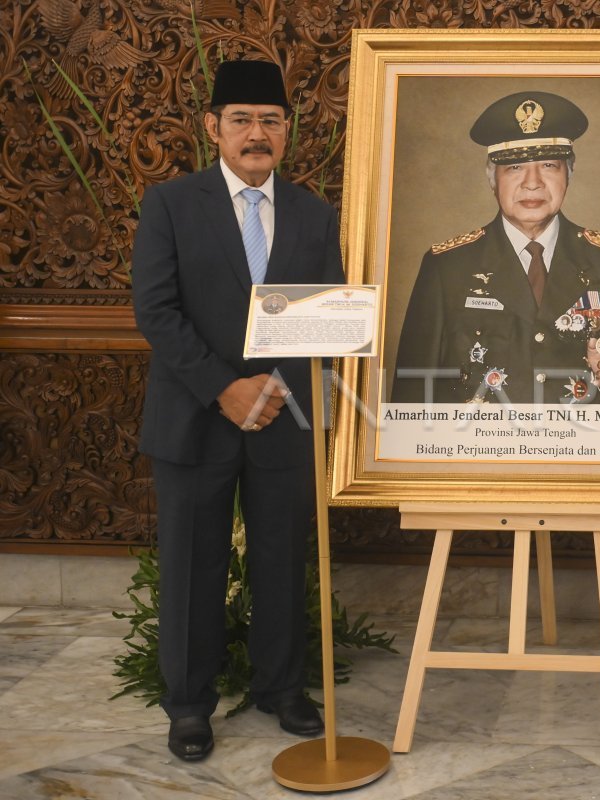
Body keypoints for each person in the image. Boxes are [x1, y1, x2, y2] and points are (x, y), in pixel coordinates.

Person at [132, 60, 345, 762]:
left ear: (287, 130)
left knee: (282, 558)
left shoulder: (315, 214)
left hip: (283, 416)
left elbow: (326, 314)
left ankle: (281, 687)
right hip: (195, 417)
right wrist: (224, 388)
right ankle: (190, 705)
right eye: (242, 120)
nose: (257, 133)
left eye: (271, 121)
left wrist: (277, 388)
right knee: (193, 562)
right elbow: (156, 310)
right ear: (213, 127)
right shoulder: (170, 204)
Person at [391, 90, 600, 405]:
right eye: (515, 167)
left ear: (569, 174)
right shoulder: (447, 268)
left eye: (548, 165)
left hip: (585, 437)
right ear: (492, 178)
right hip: (475, 437)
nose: (532, 183)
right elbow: (411, 394)